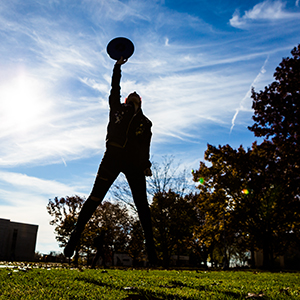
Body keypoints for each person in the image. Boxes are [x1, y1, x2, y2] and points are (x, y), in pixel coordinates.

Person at [64, 56, 157, 265]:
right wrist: (117, 67)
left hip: (134, 164)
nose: (133, 93)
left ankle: (152, 251)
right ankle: (74, 237)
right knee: (95, 198)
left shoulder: (146, 122)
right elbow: (115, 88)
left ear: (140, 102)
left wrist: (146, 165)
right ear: (125, 100)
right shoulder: (117, 108)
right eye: (130, 94)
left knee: (143, 206)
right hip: (112, 157)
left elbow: (145, 147)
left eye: (137, 95)